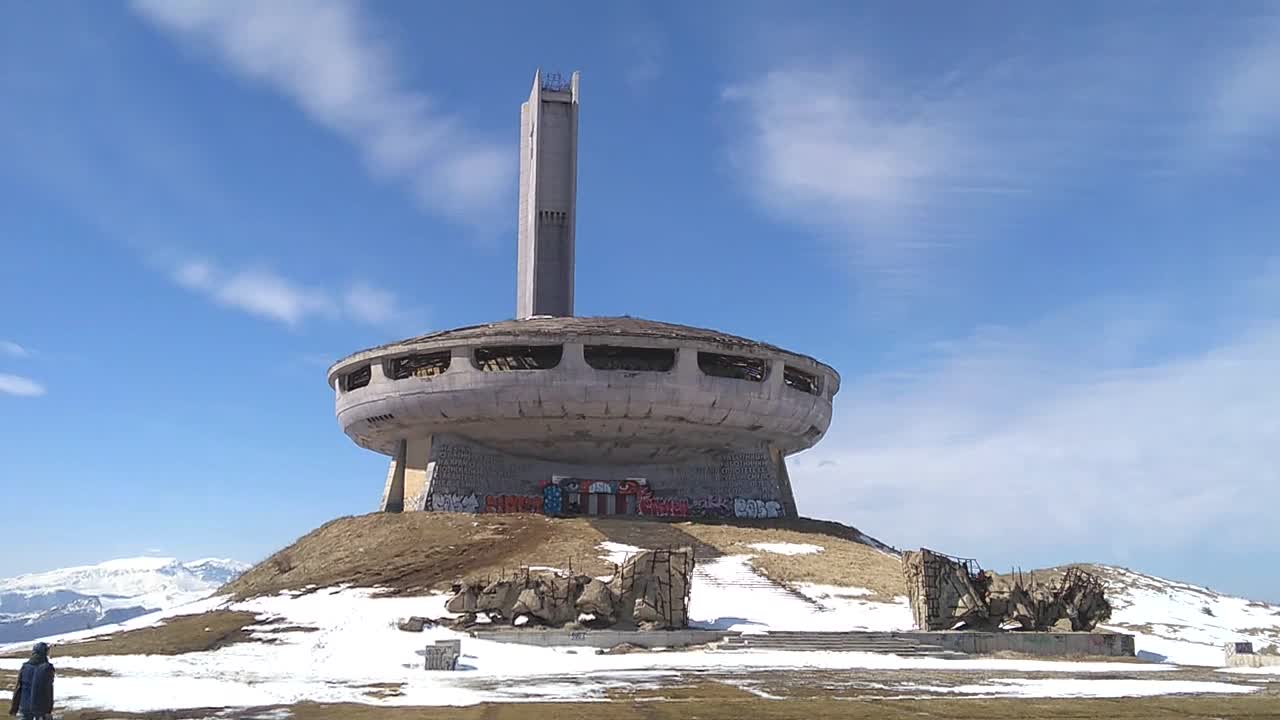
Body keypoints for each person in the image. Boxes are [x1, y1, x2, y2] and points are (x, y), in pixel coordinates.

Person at [8, 642, 54, 720]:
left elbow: (18, 688)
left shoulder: (25, 667)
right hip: (40, 707)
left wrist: (14, 708)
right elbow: (48, 690)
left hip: (25, 706)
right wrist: (48, 710)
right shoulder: (47, 668)